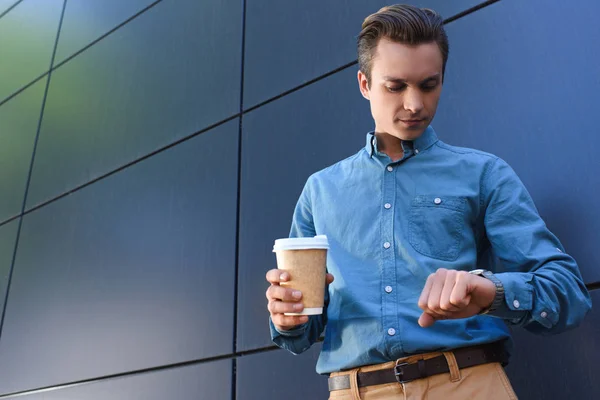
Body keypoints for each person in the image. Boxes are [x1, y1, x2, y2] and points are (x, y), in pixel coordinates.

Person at [265, 4, 592, 399]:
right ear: (365, 84)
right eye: (396, 86)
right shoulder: (320, 191)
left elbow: (567, 293)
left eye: (428, 84)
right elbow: (301, 333)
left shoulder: (484, 174)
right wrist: (288, 317)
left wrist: (490, 292)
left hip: (468, 386)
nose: (415, 104)